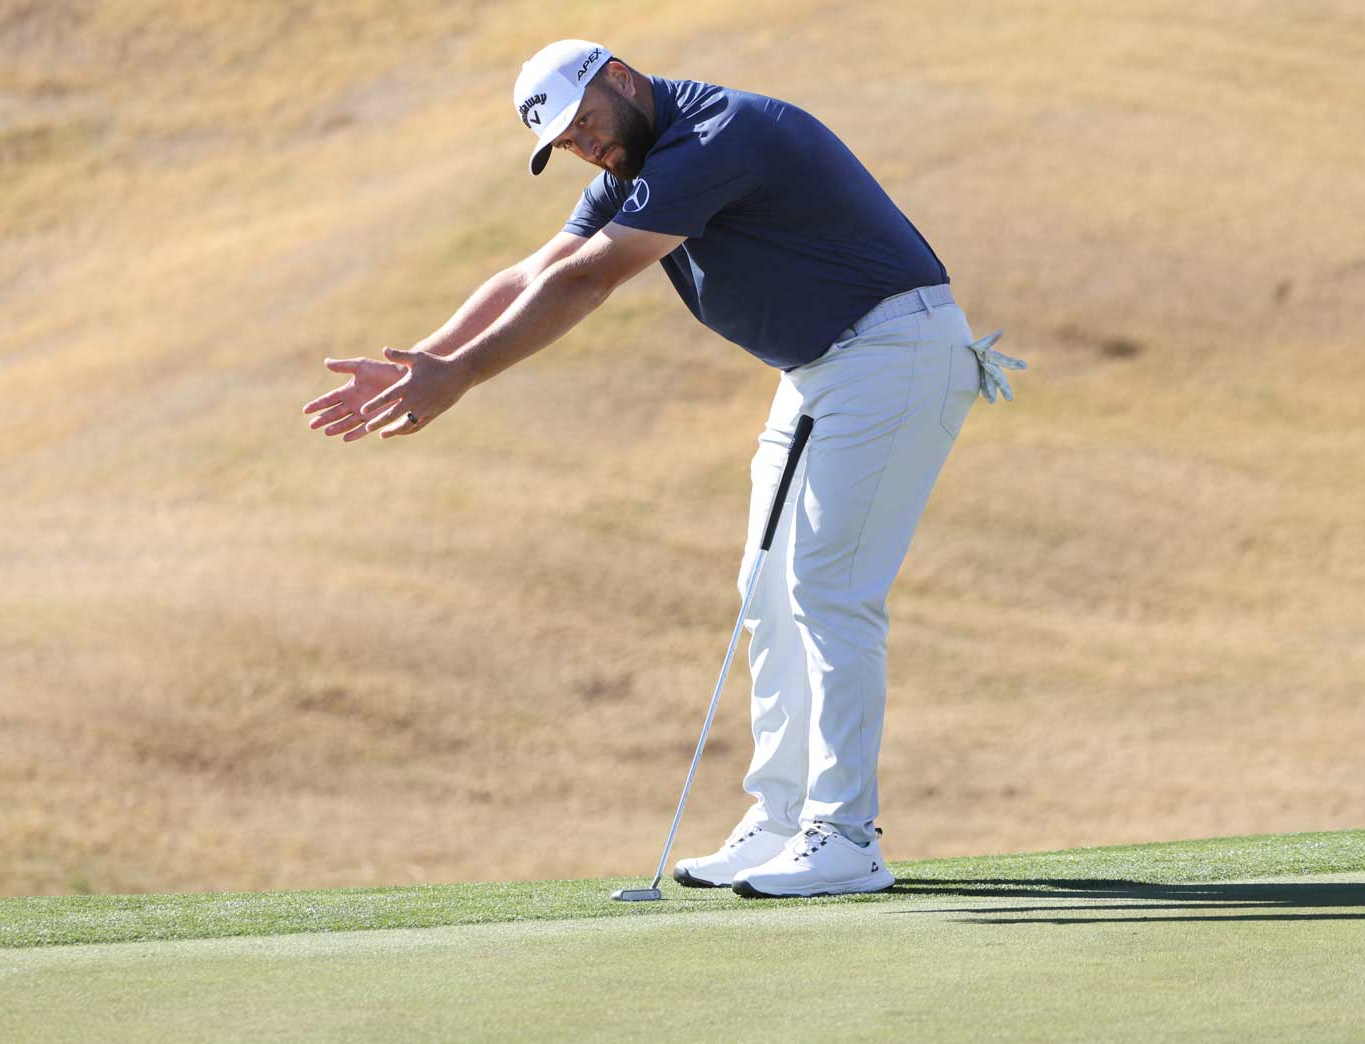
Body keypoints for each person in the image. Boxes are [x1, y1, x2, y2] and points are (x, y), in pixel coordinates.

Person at [300, 39, 1025, 898]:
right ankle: (783, 821)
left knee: (829, 590)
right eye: (567, 144)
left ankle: (844, 836)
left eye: (587, 126)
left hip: (895, 352)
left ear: (620, 78)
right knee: (767, 590)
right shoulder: (633, 166)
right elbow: (540, 269)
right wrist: (429, 356)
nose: (587, 149)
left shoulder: (716, 134)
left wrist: (462, 378)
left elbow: (591, 281)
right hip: (825, 368)